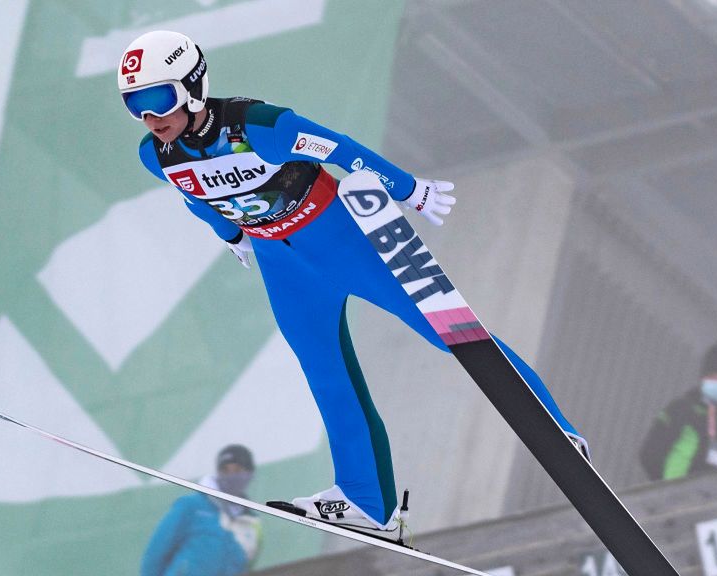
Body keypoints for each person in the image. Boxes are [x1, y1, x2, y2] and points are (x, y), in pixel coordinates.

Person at [119, 30, 587, 534]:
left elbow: (340, 149)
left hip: (341, 237)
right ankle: (367, 499)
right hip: (284, 266)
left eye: (157, 98)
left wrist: (409, 189)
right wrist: (231, 235)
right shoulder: (157, 155)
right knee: (326, 373)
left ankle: (557, 429)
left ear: (192, 85)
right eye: (135, 106)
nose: (151, 117)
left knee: (448, 330)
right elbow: (192, 195)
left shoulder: (258, 124)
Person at [140, 445, 261, 576]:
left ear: (249, 474)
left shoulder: (251, 523)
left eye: (237, 470)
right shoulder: (192, 506)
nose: (231, 476)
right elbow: (156, 553)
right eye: (225, 470)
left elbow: (246, 567)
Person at [639, 343, 717, 481]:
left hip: (710, 500)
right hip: (671, 495)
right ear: (702, 380)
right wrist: (664, 487)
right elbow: (649, 454)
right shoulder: (681, 409)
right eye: (712, 377)